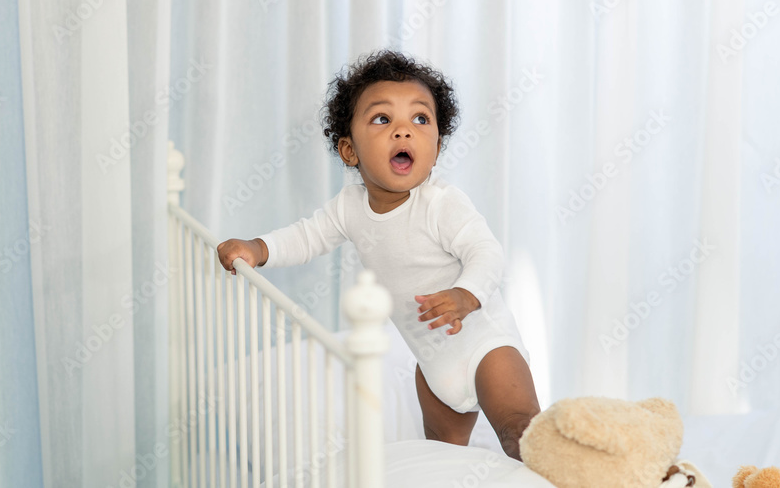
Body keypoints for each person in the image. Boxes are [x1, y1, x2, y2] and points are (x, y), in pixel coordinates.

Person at [217, 49, 541, 460]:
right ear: (349, 151)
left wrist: (466, 295)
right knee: (441, 457)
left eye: (420, 119)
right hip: (434, 365)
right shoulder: (348, 208)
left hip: (485, 345)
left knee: (521, 432)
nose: (403, 131)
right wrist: (258, 249)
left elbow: (487, 252)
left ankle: (591, 470)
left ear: (437, 148)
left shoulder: (441, 204)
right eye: (383, 119)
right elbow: (306, 237)